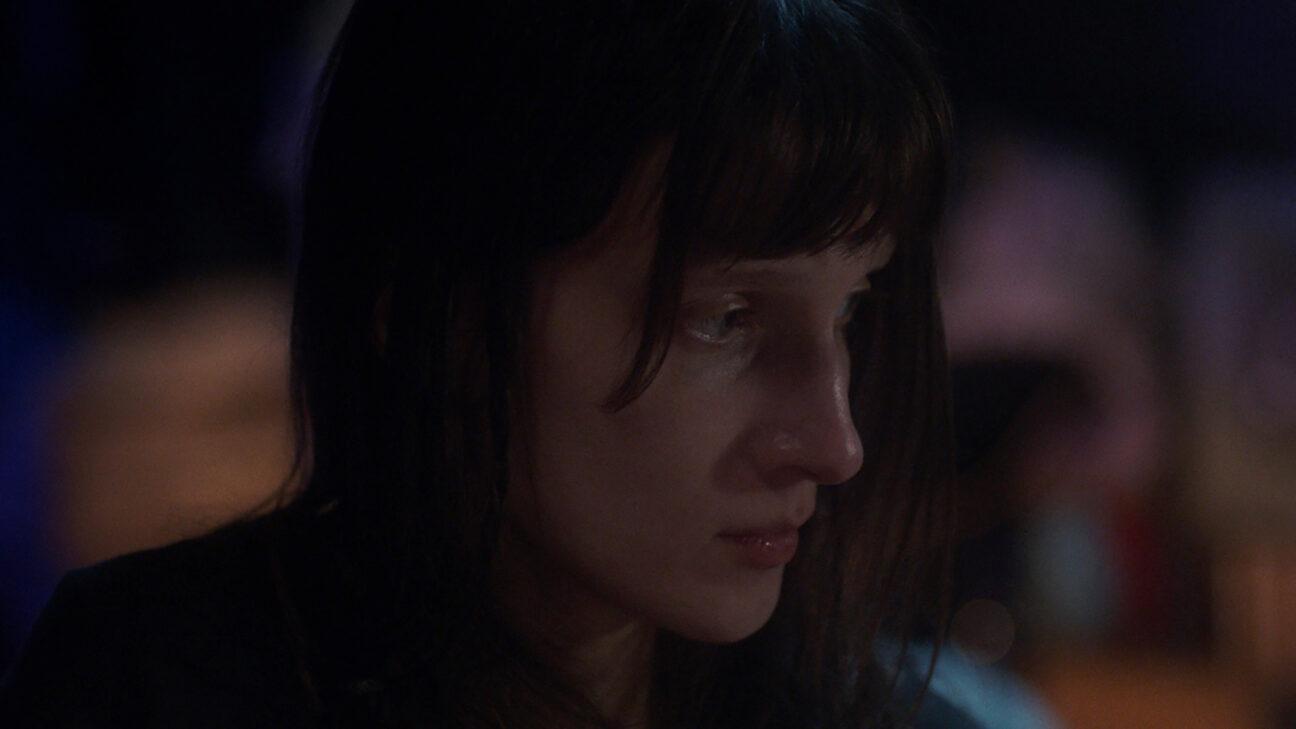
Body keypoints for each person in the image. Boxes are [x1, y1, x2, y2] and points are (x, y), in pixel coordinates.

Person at [1, 0, 961, 726]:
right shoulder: (158, 681)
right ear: (432, 305)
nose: (835, 445)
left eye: (852, 308)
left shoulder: (878, 713)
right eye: (726, 320)